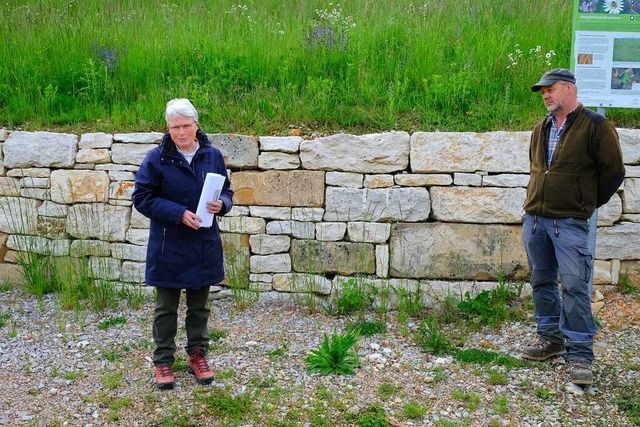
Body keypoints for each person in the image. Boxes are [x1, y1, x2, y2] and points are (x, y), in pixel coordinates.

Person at [521, 68, 625, 385]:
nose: (545, 95)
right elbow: (537, 168)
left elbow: (613, 172)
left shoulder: (596, 126)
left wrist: (584, 203)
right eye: (542, 92)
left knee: (576, 287)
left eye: (550, 89)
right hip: (536, 219)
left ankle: (580, 354)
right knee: (541, 282)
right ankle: (550, 338)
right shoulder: (541, 128)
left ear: (568, 89)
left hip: (569, 222)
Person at [132, 98, 234, 390]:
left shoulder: (212, 155)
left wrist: (222, 204)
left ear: (196, 125)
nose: (181, 132)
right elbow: (142, 197)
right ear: (168, 128)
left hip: (203, 243)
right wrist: (178, 214)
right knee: (166, 308)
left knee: (200, 307)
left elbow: (226, 190)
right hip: (169, 246)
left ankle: (197, 355)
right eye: (174, 126)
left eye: (186, 125)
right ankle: (163, 362)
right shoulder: (156, 158)